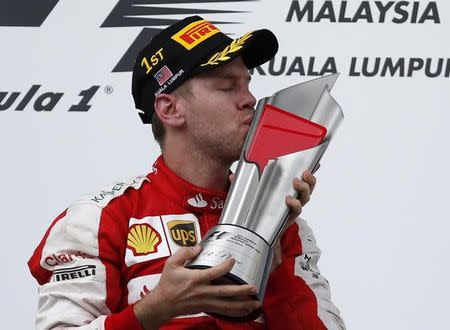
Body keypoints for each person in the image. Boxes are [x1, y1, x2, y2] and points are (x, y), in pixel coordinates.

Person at [28, 16, 345, 330]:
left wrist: (272, 266)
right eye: (227, 87)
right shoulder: (101, 219)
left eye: (248, 84)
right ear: (170, 109)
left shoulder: (284, 223)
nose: (250, 100)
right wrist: (156, 309)